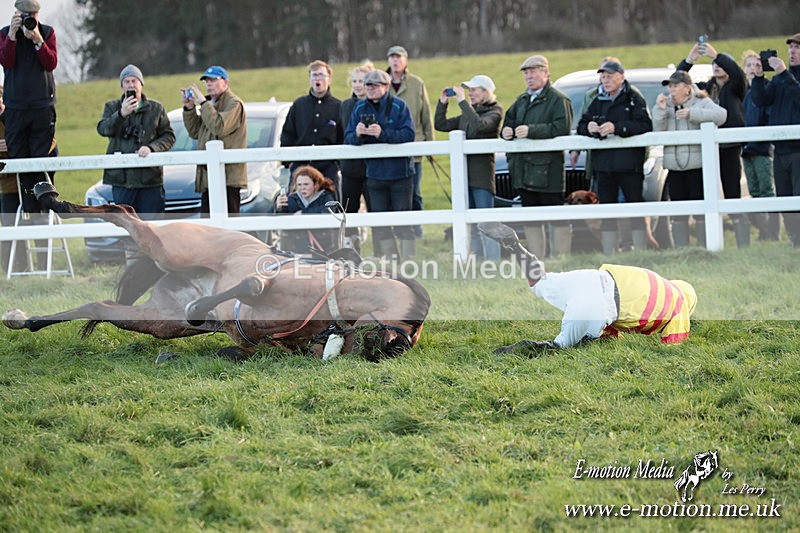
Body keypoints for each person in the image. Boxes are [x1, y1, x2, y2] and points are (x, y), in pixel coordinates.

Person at [478, 222, 697, 353]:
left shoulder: (656, 279)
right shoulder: (678, 308)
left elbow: (612, 333)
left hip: (593, 278)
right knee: (561, 347)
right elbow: (673, 346)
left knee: (541, 281)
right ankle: (527, 348)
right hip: (602, 304)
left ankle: (517, 247)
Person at [678, 40, 750, 247]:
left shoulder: (736, 86)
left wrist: (715, 55)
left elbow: (737, 73)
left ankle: (742, 244)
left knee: (732, 192)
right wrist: (690, 60)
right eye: (714, 65)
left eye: (721, 65)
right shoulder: (705, 88)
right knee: (706, 192)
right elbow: (679, 82)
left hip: (729, 147)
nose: (717, 67)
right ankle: (708, 242)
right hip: (707, 149)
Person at [577, 60, 653, 255]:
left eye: (609, 76)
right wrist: (590, 128)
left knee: (634, 205)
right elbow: (581, 125)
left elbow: (645, 125)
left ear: (621, 77)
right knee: (607, 210)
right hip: (604, 165)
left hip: (629, 164)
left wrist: (617, 128)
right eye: (602, 77)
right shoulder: (597, 100)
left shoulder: (633, 98)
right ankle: (610, 252)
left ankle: (639, 252)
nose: (605, 80)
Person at [501, 54, 573, 258]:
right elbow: (510, 121)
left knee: (556, 216)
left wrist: (532, 130)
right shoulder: (521, 100)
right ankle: (537, 260)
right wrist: (506, 131)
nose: (529, 76)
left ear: (545, 72)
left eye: (533, 71)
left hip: (548, 170)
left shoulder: (558, 100)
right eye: (526, 73)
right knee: (531, 217)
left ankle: (561, 258)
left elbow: (562, 128)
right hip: (523, 170)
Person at [344, 69, 415, 260]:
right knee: (380, 222)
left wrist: (382, 134)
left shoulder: (400, 107)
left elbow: (408, 134)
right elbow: (348, 137)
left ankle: (409, 263)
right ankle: (392, 261)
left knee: (403, 221)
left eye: (374, 85)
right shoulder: (359, 108)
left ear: (386, 87)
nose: (370, 89)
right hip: (374, 175)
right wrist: (358, 134)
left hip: (400, 174)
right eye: (368, 85)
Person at [652, 71, 727, 247]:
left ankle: (703, 248)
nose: (672, 90)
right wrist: (660, 111)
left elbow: (722, 115)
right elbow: (657, 131)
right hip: (674, 168)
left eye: (675, 86)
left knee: (701, 212)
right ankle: (682, 250)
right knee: (678, 212)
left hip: (697, 167)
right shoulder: (666, 104)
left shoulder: (701, 101)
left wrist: (692, 114)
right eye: (670, 86)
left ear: (687, 88)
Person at [434, 74, 503, 260]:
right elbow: (440, 125)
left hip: (481, 176)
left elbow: (480, 126)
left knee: (486, 222)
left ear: (486, 92)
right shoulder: (468, 112)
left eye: (474, 90)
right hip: (464, 176)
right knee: (469, 222)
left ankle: (494, 260)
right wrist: (442, 103)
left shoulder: (495, 111)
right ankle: (480, 259)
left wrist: (463, 102)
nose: (470, 93)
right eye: (469, 90)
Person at [0, 0, 56, 218]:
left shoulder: (47, 32)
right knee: (21, 163)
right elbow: (6, 61)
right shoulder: (5, 34)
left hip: (42, 107)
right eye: (24, 15)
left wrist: (38, 40)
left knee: (39, 163)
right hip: (15, 109)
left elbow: (51, 63)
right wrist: (13, 36)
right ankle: (28, 210)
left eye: (32, 14)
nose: (28, 18)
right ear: (16, 14)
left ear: (38, 13)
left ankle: (42, 209)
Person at [97, 64, 175, 221]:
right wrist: (121, 114)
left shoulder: (156, 109)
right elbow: (103, 129)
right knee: (127, 225)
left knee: (152, 227)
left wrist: (152, 148)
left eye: (134, 81)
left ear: (141, 84)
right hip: (122, 180)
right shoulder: (112, 107)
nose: (131, 85)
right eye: (126, 82)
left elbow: (169, 136)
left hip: (150, 179)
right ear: (122, 86)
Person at [750, 33, 800, 248]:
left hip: (798, 150)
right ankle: (794, 240)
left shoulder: (786, 77)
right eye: (790, 48)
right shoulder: (781, 78)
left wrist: (784, 73)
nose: (792, 52)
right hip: (779, 151)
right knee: (784, 200)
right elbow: (761, 100)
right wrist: (759, 78)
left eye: (797, 48)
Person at [182, 65, 247, 215]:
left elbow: (219, 127)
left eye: (213, 80)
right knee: (208, 227)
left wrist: (203, 104)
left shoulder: (234, 104)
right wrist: (189, 109)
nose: (208, 84)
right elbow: (195, 132)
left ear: (225, 82)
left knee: (230, 226)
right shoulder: (210, 104)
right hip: (208, 177)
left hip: (228, 178)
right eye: (206, 81)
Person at [386, 45, 433, 236]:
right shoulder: (381, 82)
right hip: (388, 147)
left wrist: (430, 145)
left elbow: (426, 116)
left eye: (399, 57)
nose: (395, 61)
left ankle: (417, 228)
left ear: (406, 61)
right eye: (392, 57)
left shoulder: (416, 83)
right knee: (392, 191)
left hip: (414, 146)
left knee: (415, 191)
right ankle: (396, 229)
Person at [280, 60, 343, 191]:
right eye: (314, 75)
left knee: (329, 207)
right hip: (300, 168)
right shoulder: (299, 105)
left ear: (329, 79)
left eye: (321, 75)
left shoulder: (338, 106)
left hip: (328, 169)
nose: (317, 79)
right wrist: (288, 162)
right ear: (310, 78)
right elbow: (287, 134)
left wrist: (338, 164)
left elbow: (343, 137)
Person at [741, 50, 779, 241]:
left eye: (755, 65)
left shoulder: (766, 89)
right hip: (747, 151)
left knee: (766, 192)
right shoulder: (746, 94)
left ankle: (773, 233)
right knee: (754, 193)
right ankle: (764, 232)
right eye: (748, 65)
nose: (751, 69)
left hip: (762, 149)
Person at [339, 61, 374, 251]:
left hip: (371, 169)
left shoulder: (375, 105)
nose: (358, 85)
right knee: (349, 211)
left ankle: (381, 252)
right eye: (355, 81)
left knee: (375, 211)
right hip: (350, 168)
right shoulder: (345, 105)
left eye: (362, 81)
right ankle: (352, 251)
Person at [273, 165, 337, 253]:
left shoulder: (326, 197)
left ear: (316, 184)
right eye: (299, 184)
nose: (302, 187)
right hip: (297, 250)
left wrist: (303, 214)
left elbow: (328, 212)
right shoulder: (292, 199)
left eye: (306, 184)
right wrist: (279, 208)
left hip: (324, 249)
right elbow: (280, 222)